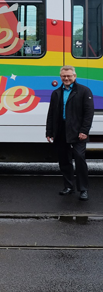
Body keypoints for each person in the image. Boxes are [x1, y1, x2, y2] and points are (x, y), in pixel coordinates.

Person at [46, 65, 93, 201]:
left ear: (74, 76)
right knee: (64, 161)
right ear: (60, 77)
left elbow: (88, 113)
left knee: (79, 159)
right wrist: (49, 131)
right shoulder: (56, 93)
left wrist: (84, 131)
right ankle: (68, 187)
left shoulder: (84, 91)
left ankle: (83, 189)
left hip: (78, 132)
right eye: (63, 76)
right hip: (61, 131)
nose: (66, 78)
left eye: (69, 76)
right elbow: (51, 114)